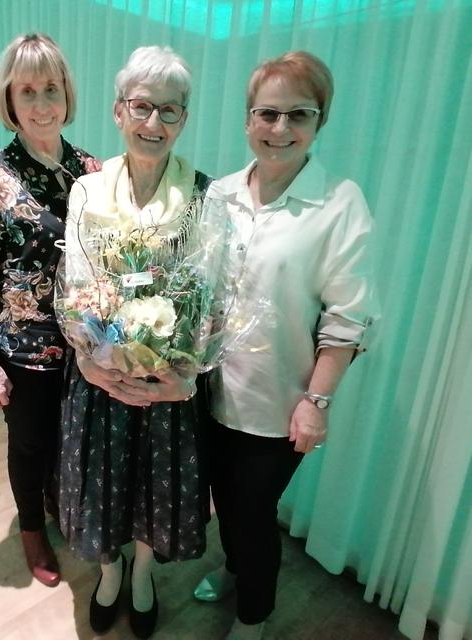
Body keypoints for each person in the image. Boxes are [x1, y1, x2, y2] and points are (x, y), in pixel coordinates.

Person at [192, 51, 378, 640]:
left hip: (279, 405)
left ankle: (255, 615)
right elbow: (195, 289)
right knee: (225, 502)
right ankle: (234, 566)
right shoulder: (218, 195)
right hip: (205, 390)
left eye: (299, 114)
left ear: (320, 122)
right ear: (247, 119)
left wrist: (316, 403)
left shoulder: (341, 204)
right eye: (267, 113)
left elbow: (348, 319)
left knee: (252, 513)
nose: (280, 129)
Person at [58, 46, 212, 638]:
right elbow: (74, 287)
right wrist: (91, 360)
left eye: (169, 111)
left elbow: (206, 293)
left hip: (166, 380)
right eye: (142, 107)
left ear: (184, 119)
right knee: (100, 481)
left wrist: (182, 369)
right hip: (99, 375)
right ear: (118, 111)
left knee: (155, 485)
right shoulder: (86, 193)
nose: (154, 124)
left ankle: (143, 571)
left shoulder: (201, 194)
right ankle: (109, 570)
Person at [0, 33, 99, 588]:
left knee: (71, 439)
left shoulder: (91, 169)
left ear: (67, 95)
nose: (42, 104)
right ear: (10, 102)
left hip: (88, 346)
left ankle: (60, 504)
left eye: (52, 89)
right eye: (28, 92)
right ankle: (33, 530)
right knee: (32, 441)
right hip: (25, 350)